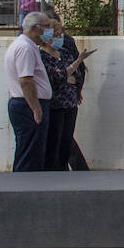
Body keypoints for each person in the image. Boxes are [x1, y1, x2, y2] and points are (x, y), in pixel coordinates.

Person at [40, 15, 93, 171]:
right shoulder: (42, 56)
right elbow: (56, 77)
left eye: (60, 34)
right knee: (55, 140)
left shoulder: (64, 52)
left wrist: (72, 80)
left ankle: (64, 169)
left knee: (66, 139)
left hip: (69, 102)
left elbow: (75, 75)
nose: (60, 38)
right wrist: (66, 75)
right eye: (56, 35)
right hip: (55, 104)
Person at [6, 12, 54, 172]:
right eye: (47, 26)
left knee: (31, 150)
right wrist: (36, 108)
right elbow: (26, 80)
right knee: (30, 153)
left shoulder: (26, 46)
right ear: (35, 28)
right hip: (28, 105)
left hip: (28, 104)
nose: (50, 31)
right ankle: (25, 188)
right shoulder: (25, 48)